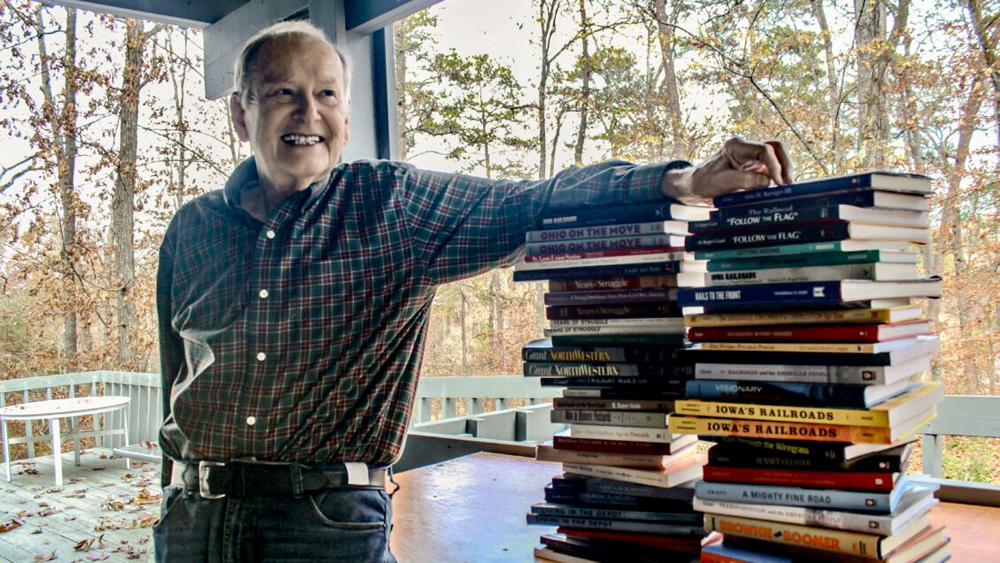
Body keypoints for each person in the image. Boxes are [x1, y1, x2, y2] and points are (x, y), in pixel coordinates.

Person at [153, 20, 792, 563]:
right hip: (191, 522)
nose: (308, 114)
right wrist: (170, 501)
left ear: (347, 113)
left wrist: (684, 181)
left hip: (324, 524)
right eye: (283, 94)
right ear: (241, 112)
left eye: (326, 94)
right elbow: (175, 379)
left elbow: (533, 201)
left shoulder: (392, 207)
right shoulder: (192, 229)